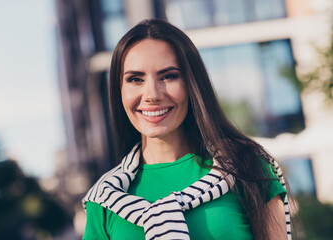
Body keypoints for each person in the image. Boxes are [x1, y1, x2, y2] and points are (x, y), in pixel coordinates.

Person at [82, 19, 291, 240]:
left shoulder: (246, 167)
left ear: (192, 83)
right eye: (135, 79)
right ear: (119, 91)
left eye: (168, 76)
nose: (152, 94)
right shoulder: (104, 199)